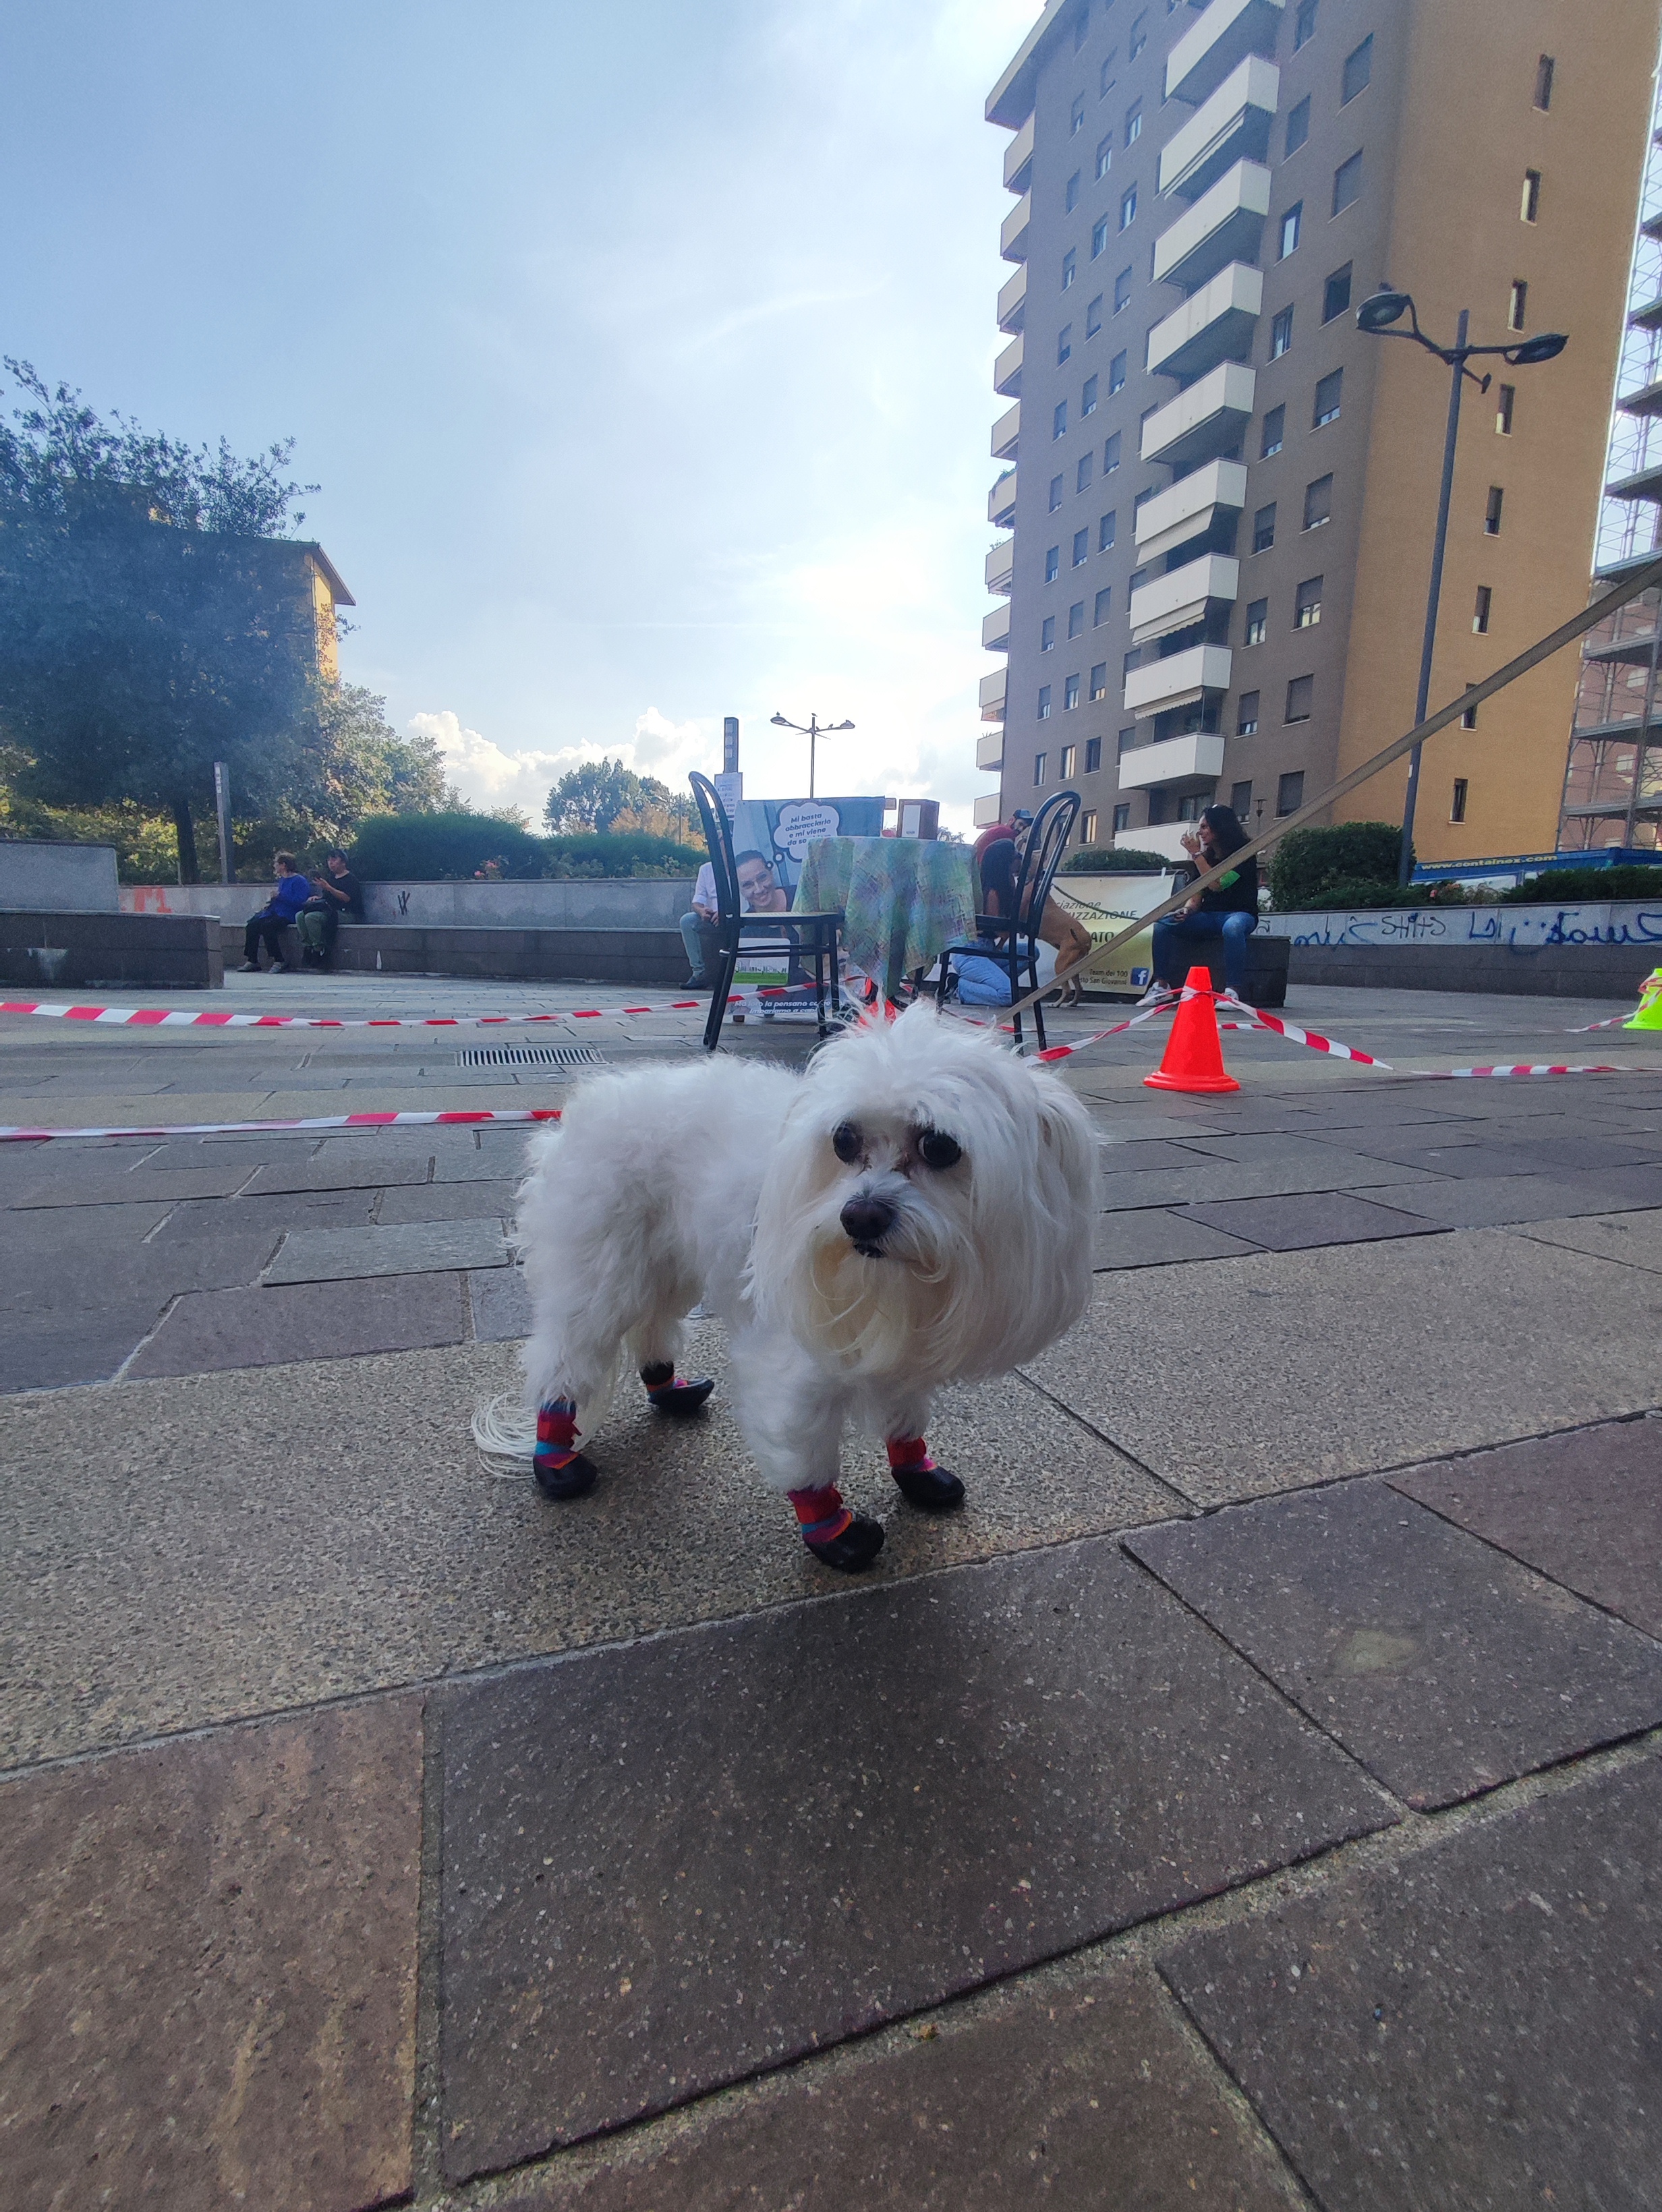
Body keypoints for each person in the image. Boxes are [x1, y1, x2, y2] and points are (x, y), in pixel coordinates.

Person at [971, 809, 1093, 1006]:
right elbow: (1004, 930)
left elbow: (1012, 925)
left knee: (1033, 954)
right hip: (976, 952)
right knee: (1009, 996)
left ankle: (987, 980)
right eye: (1015, 859)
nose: (1019, 862)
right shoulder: (994, 891)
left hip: (990, 950)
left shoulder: (1009, 884)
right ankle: (964, 987)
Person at [1149, 805, 1259, 1002]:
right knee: (1163, 925)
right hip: (1208, 916)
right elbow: (1196, 892)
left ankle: (1233, 991)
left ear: (1220, 827)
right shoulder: (1206, 857)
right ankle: (1161, 985)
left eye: (1205, 827)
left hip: (1240, 913)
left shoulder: (1244, 854)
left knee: (1233, 928)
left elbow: (1217, 884)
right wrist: (1188, 910)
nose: (1200, 832)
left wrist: (1196, 856)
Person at [239, 854, 311, 972]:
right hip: (275, 911)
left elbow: (300, 902)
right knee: (252, 924)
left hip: (288, 914)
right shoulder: (282, 880)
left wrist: (280, 896)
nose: (275, 866)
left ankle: (279, 960)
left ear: (283, 865)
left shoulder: (299, 881)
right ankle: (252, 960)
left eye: (276, 863)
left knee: (267, 926)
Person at [297, 849, 365, 968]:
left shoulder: (351, 879)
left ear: (343, 862)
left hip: (347, 913)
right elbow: (326, 897)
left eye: (334, 860)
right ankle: (309, 947)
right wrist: (317, 898)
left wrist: (328, 888)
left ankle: (319, 949)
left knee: (311, 918)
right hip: (329, 910)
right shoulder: (331, 878)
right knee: (300, 916)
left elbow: (347, 899)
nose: (331, 863)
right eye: (329, 860)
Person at [679, 861, 720, 986]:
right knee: (687, 921)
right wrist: (702, 911)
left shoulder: (741, 867)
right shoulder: (706, 869)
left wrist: (727, 913)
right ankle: (699, 974)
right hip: (711, 917)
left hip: (735, 915)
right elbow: (697, 901)